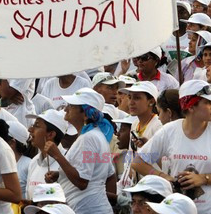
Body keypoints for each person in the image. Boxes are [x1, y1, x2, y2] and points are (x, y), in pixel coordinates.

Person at [133, 80, 211, 214]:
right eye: (207, 103)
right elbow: (137, 162)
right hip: (174, 210)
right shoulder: (169, 131)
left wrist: (204, 178)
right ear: (191, 107)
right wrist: (162, 176)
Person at [44, 88, 116, 214]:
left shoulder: (89, 138)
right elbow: (109, 175)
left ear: (85, 113)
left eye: (71, 106)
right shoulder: (96, 135)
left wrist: (57, 155)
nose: (66, 109)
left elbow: (82, 182)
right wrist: (61, 174)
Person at [118, 81, 161, 149]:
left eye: (137, 98)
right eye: (129, 97)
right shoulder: (135, 124)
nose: (131, 103)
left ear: (151, 102)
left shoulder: (158, 126)